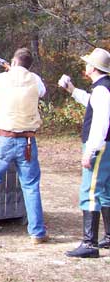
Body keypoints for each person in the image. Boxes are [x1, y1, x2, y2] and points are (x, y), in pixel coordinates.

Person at [0, 47, 49, 244]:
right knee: (31, 186)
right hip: (28, 141)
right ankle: (37, 232)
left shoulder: (4, 79)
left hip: (4, 139)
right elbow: (42, 91)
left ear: (14, 62)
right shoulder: (36, 79)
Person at [58, 47, 110, 258]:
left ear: (93, 68)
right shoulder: (102, 88)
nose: (85, 66)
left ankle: (90, 244)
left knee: (90, 192)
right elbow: (91, 101)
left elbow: (100, 123)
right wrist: (71, 90)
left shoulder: (102, 90)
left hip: (101, 146)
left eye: (88, 63)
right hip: (107, 145)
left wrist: (90, 150)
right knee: (106, 192)